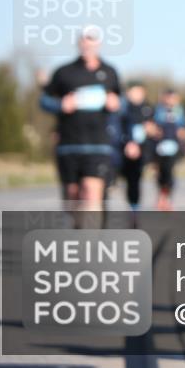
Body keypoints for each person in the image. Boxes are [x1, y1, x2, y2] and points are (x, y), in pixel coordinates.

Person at [39, 27, 123, 227]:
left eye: (92, 41)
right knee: (73, 196)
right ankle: (77, 232)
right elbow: (44, 101)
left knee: (91, 192)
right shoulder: (64, 72)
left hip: (98, 144)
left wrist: (116, 102)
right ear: (79, 43)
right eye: (84, 41)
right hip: (69, 143)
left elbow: (123, 103)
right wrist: (60, 105)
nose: (88, 45)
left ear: (98, 44)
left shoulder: (110, 73)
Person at [119, 81, 157, 222]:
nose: (136, 95)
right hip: (122, 149)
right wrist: (126, 142)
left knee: (135, 180)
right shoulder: (122, 108)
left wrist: (151, 130)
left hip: (141, 151)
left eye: (139, 92)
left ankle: (134, 209)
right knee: (126, 178)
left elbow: (155, 130)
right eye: (134, 92)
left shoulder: (148, 109)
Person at [150, 88, 185, 211]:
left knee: (170, 172)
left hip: (174, 146)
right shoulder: (158, 111)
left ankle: (167, 198)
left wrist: (184, 134)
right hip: (160, 146)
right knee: (161, 173)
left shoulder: (180, 112)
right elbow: (152, 126)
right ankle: (161, 195)